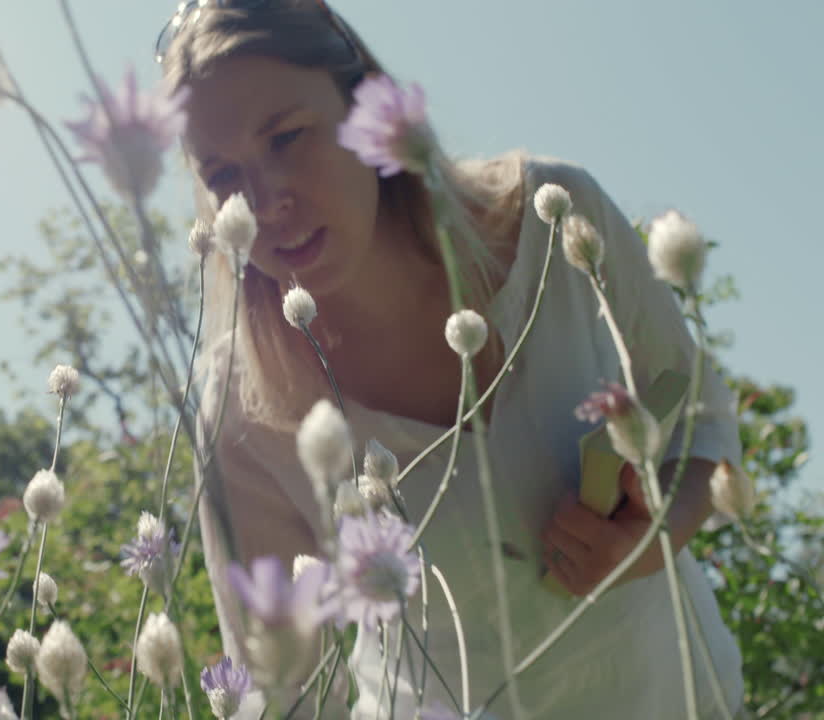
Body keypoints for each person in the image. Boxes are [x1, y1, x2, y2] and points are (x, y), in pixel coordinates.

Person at [157, 1, 744, 718]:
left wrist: (652, 541)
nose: (264, 200)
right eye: (221, 175)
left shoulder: (555, 221)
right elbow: (284, 687)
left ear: (365, 106)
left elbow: (701, 419)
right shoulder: (239, 409)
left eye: (286, 137)